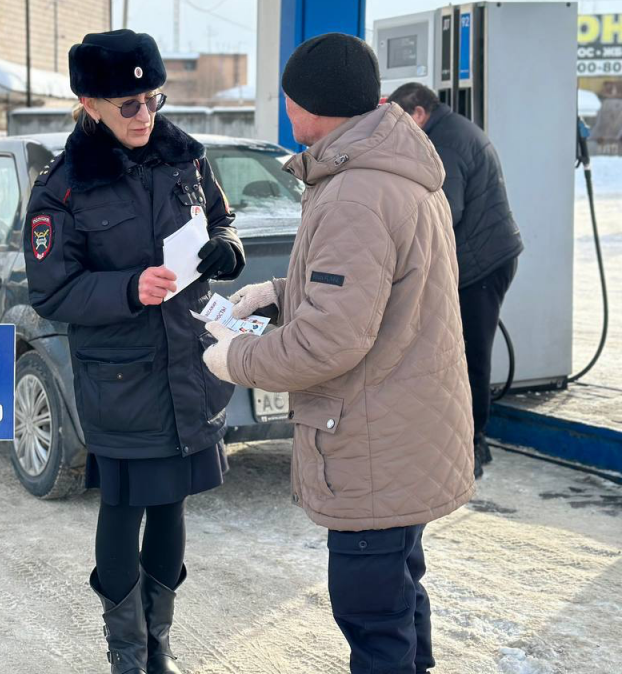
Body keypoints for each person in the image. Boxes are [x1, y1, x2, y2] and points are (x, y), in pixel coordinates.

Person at [202, 33, 473, 674]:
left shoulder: (356, 193)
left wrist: (235, 359)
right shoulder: (391, 171)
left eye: (288, 100)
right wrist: (277, 293)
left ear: (307, 107)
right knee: (398, 599)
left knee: (371, 615)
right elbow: (378, 289)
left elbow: (329, 340)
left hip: (372, 444)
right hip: (407, 430)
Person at [23, 29, 244, 674]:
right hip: (121, 378)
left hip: (187, 369)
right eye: (129, 104)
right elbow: (51, 291)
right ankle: (126, 652)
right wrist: (127, 288)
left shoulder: (185, 158)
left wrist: (225, 250)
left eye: (153, 99)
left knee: (171, 507)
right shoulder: (63, 187)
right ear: (89, 104)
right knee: (122, 512)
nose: (145, 114)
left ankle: (159, 647)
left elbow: (222, 220)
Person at [387, 82, 524, 477]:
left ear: (418, 114)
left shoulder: (445, 141)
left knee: (470, 356)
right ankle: (466, 439)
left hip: (482, 263)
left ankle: (473, 444)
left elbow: (445, 210)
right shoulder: (449, 130)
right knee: (459, 353)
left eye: (399, 121)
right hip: (482, 258)